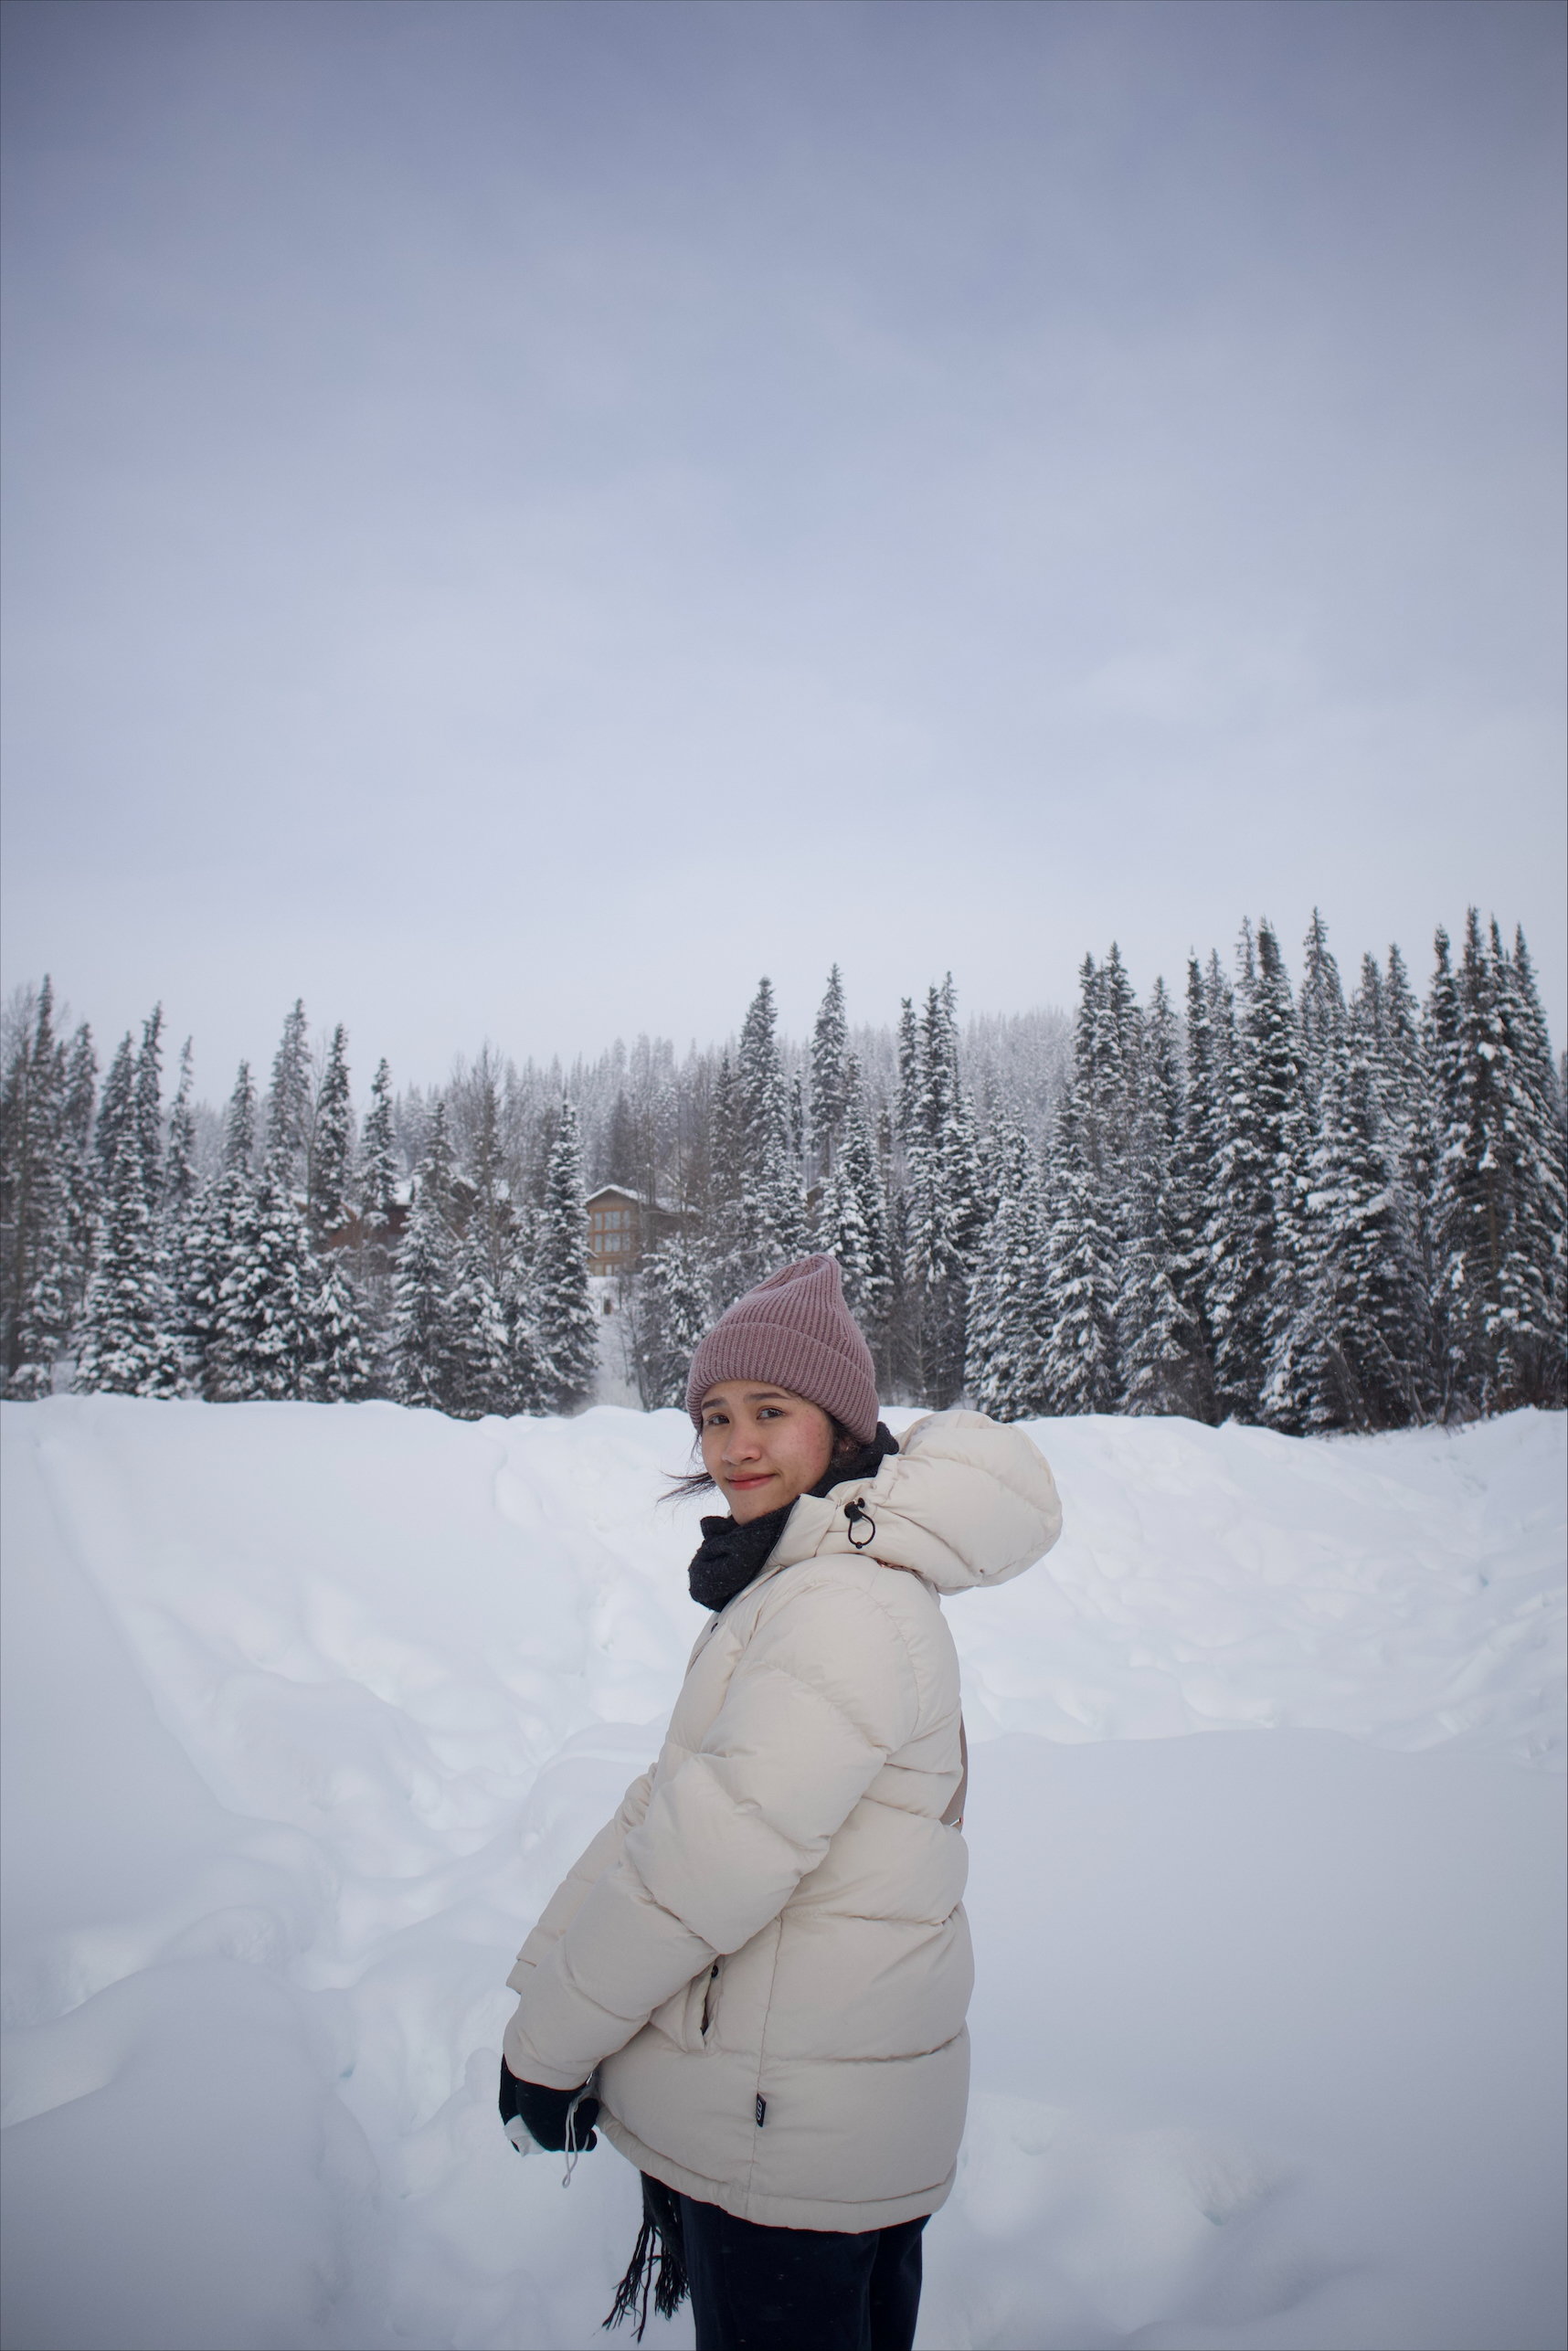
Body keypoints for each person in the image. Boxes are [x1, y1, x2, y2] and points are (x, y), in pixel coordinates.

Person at [499, 1254, 1062, 2350]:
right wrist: (547, 1992)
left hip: (786, 2136)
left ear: (843, 1428)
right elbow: (669, 1809)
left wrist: (549, 2047)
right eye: (713, 1416)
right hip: (816, 2115)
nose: (733, 1444)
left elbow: (705, 1860)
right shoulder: (812, 1578)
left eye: (769, 1410)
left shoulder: (836, 1605)